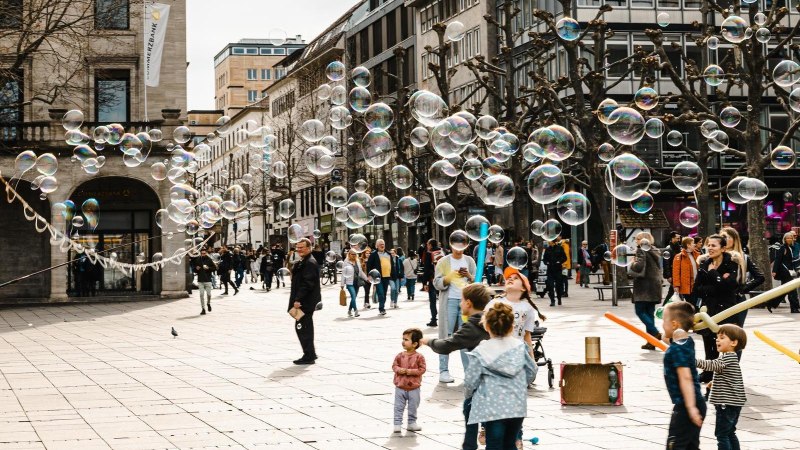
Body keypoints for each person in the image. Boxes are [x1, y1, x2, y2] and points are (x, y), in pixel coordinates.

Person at [420, 283, 490, 450]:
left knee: (470, 409)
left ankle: (470, 445)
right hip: (501, 385)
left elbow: (447, 345)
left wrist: (427, 341)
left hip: (481, 384)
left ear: (468, 303)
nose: (459, 303)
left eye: (462, 300)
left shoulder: (472, 327)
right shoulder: (493, 321)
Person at [464, 302, 536, 450]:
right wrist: (521, 384)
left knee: (494, 444)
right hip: (516, 405)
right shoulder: (519, 346)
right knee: (510, 443)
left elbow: (471, 380)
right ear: (511, 326)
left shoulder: (482, 351)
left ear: (487, 326)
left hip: (493, 407)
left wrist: (470, 395)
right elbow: (532, 370)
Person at [692, 234, 741, 383]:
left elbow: (729, 287)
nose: (710, 248)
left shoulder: (731, 264)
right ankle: (708, 373)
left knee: (724, 342)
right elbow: (697, 289)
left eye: (714, 245)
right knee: (708, 342)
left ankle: (726, 373)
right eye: (709, 245)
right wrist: (717, 282)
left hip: (726, 310)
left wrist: (713, 273)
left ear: (723, 248)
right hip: (709, 309)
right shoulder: (704, 263)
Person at [661, 301, 706, 450]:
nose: (662, 325)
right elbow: (674, 338)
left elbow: (685, 377)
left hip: (686, 405)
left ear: (674, 324)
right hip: (693, 402)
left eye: (663, 321)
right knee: (690, 446)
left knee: (675, 445)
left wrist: (691, 407)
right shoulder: (687, 342)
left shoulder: (677, 350)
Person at [695, 324, 747, 450]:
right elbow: (729, 377)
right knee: (729, 432)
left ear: (734, 342)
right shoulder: (729, 358)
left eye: (722, 337)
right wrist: (715, 382)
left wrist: (692, 360)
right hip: (734, 403)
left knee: (721, 434)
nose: (717, 340)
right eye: (717, 337)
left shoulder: (727, 359)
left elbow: (711, 365)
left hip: (726, 404)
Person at [432, 243, 476, 383]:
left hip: (466, 303)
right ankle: (443, 371)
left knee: (466, 336)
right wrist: (448, 277)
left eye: (461, 244)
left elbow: (477, 281)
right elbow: (436, 282)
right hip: (449, 301)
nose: (458, 248)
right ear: (451, 246)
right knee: (446, 335)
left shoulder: (469, 261)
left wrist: (469, 275)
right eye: (456, 245)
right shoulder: (443, 261)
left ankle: (469, 373)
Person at [287, 238, 321, 365]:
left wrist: (298, 299)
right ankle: (310, 353)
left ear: (309, 248)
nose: (299, 249)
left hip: (305, 303)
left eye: (302, 247)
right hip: (304, 301)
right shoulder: (304, 261)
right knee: (303, 327)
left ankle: (309, 355)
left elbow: (307, 284)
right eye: (298, 247)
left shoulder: (310, 263)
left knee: (304, 328)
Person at [720, 226, 764, 321]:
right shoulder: (714, 257)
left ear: (735, 240)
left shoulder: (743, 257)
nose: (724, 240)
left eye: (727, 237)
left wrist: (742, 289)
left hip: (737, 301)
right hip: (718, 301)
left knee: (735, 332)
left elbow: (760, 277)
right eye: (722, 237)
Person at [628, 231, 664, 350]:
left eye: (637, 239)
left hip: (644, 286)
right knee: (649, 313)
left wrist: (633, 263)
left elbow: (639, 267)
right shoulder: (655, 250)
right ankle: (651, 342)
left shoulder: (641, 250)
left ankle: (655, 333)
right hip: (654, 285)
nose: (636, 241)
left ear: (643, 240)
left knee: (640, 311)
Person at [392, 328, 426, 433]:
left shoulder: (419, 357)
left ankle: (412, 423)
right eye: (403, 339)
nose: (403, 342)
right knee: (398, 406)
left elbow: (422, 369)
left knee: (413, 406)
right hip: (400, 386)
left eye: (406, 340)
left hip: (414, 387)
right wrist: (399, 370)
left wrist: (409, 371)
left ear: (415, 343)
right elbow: (394, 366)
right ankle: (397, 424)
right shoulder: (400, 355)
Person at [770, 232, 799, 313]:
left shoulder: (790, 248)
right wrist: (774, 271)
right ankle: (795, 308)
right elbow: (778, 260)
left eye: (790, 238)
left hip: (789, 271)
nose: (789, 239)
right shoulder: (783, 248)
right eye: (788, 238)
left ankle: (771, 303)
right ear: (785, 239)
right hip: (784, 272)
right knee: (792, 290)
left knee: (784, 290)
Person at [367, 239, 395, 315]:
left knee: (385, 293)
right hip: (377, 277)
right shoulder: (373, 254)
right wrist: (369, 276)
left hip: (387, 276)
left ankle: (382, 306)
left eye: (383, 244)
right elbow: (369, 266)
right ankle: (381, 308)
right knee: (381, 293)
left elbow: (392, 265)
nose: (382, 245)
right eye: (380, 244)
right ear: (377, 246)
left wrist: (393, 275)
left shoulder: (388, 254)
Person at [672, 237, 700, 305]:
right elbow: (676, 272)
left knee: (697, 304)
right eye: (693, 243)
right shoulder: (679, 256)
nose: (695, 245)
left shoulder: (697, 255)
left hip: (697, 285)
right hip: (686, 287)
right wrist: (676, 286)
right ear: (688, 245)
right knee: (690, 304)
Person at [422, 239, 443, 326]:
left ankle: (434, 319)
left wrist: (424, 283)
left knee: (433, 300)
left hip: (433, 280)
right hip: (444, 279)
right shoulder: (443, 252)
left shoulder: (428, 254)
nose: (427, 246)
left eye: (427, 244)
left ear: (430, 245)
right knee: (443, 299)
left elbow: (426, 269)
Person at [341, 249, 367, 317]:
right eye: (352, 254)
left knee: (354, 297)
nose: (354, 255)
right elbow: (343, 274)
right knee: (353, 296)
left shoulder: (357, 261)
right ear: (349, 254)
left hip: (357, 282)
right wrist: (342, 284)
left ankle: (349, 310)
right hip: (349, 283)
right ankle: (356, 311)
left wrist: (367, 279)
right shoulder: (346, 262)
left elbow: (360, 272)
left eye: (355, 254)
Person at [192, 248, 216, 315]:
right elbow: (194, 268)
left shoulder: (209, 259)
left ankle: (208, 303)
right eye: (202, 253)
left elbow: (215, 268)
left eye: (204, 253)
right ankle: (203, 309)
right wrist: (196, 269)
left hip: (208, 280)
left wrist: (208, 268)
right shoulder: (198, 259)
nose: (203, 255)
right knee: (201, 295)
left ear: (206, 253)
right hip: (200, 280)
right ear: (200, 253)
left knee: (209, 294)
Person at [542, 239, 567, 306]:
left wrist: (559, 261)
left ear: (553, 242)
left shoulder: (560, 248)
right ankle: (552, 300)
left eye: (549, 241)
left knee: (558, 285)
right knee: (550, 285)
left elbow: (565, 258)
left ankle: (559, 298)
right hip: (550, 270)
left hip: (558, 269)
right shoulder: (547, 249)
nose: (548, 242)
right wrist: (546, 262)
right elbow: (544, 259)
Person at [663, 231, 682, 303]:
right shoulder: (668, 249)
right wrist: (668, 276)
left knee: (673, 292)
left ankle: (664, 308)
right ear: (672, 238)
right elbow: (666, 264)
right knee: (674, 292)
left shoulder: (677, 248)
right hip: (673, 274)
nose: (679, 240)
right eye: (677, 238)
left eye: (679, 238)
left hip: (677, 273)